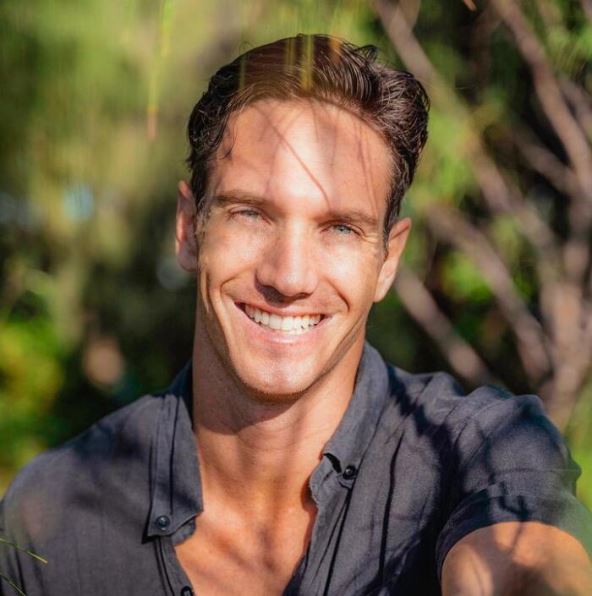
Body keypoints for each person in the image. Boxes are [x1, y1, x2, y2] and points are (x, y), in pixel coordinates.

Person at [1, 34, 591, 596]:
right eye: (251, 213)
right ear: (189, 229)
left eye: (340, 228)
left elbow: (529, 566)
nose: (289, 277)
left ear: (387, 261)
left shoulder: (483, 451)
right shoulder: (53, 517)